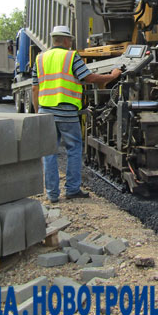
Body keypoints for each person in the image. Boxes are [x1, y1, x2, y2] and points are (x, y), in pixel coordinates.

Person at [32, 25, 121, 203]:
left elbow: (35, 87)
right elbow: (89, 78)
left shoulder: (40, 58)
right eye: (70, 40)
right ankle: (72, 189)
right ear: (65, 40)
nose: (71, 43)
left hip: (45, 110)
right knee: (74, 149)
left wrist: (37, 112)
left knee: (49, 152)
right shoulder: (71, 56)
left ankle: (52, 194)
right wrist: (112, 76)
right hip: (66, 111)